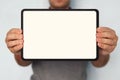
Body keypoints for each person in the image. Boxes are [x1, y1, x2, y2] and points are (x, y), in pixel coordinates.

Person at [5, 0, 118, 80]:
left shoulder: (86, 22)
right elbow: (23, 63)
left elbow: (99, 64)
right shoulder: (33, 22)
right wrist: (18, 51)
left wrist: (103, 52)